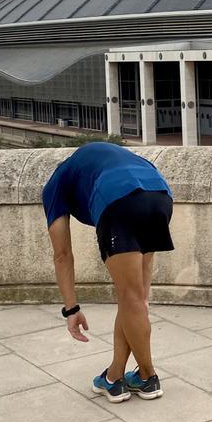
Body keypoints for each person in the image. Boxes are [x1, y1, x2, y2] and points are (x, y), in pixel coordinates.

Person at [42, 142, 174, 403]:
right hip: (159, 194)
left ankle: (148, 376)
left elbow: (62, 255)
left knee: (131, 298)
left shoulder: (55, 184)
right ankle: (114, 378)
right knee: (133, 300)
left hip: (117, 200)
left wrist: (71, 309)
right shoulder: (95, 160)